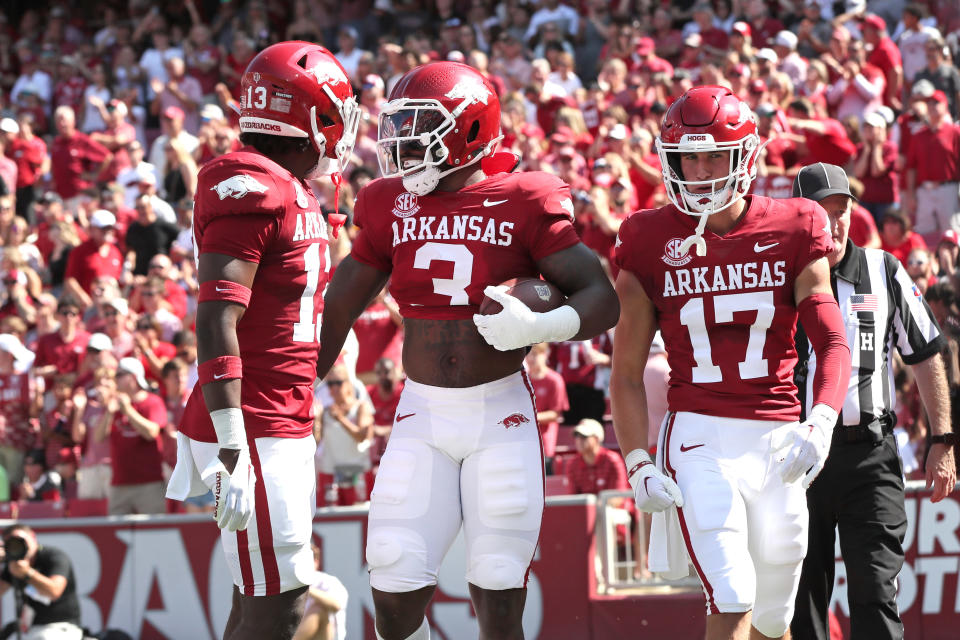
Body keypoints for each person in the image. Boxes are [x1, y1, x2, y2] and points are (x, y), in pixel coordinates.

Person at [315, 61, 619, 640]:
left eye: (420, 123)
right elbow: (340, 305)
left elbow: (601, 297)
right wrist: (296, 390)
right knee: (393, 575)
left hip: (499, 409)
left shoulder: (525, 197)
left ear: (472, 128)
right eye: (398, 124)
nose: (402, 141)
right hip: (421, 410)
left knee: (499, 588)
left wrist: (541, 324)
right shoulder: (386, 202)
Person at [610, 86, 852, 640]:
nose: (698, 170)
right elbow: (625, 372)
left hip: (778, 433)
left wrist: (821, 420)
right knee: (732, 591)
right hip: (699, 434)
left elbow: (834, 341)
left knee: (773, 616)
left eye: (712, 154)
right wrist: (639, 462)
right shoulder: (648, 238)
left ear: (745, 155)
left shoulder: (796, 224)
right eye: (686, 157)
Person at [163, 42, 360, 640]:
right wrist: (232, 447)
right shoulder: (249, 184)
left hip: (280, 412)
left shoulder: (291, 188)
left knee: (264, 589)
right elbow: (216, 316)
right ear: (310, 117)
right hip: (249, 423)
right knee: (282, 597)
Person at [789, 163, 957, 640]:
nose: (834, 222)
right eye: (821, 212)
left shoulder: (884, 271)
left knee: (875, 591)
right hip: (796, 459)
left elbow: (926, 352)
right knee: (801, 601)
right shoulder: (777, 275)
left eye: (841, 211)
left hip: (870, 453)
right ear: (799, 217)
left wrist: (943, 438)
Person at [0, 524, 83, 640]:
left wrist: (27, 573)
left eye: (20, 540)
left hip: (61, 627)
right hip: (30, 629)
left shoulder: (53, 556)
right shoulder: (13, 564)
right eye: (11, 543)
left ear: (32, 537)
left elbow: (54, 592)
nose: (16, 546)